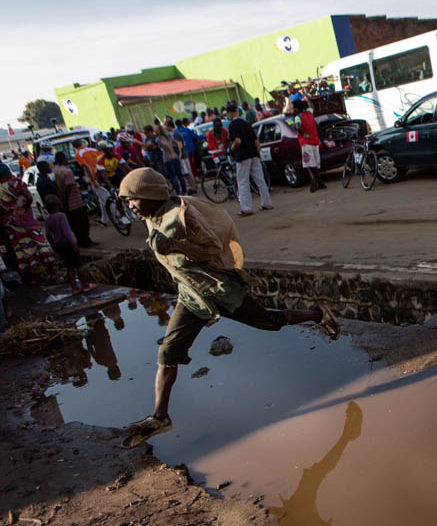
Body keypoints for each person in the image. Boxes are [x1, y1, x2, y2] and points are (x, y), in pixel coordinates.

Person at [116, 168, 339, 447]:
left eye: (132, 199)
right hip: (191, 295)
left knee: (268, 322)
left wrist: (174, 245)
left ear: (149, 195)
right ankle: (160, 417)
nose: (130, 206)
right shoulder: (152, 216)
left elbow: (211, 247)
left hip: (219, 289)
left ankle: (318, 314)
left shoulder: (182, 216)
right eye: (127, 201)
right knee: (168, 352)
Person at [0, 162, 59, 283]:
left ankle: (33, 277)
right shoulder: (17, 184)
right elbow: (30, 198)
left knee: (22, 250)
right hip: (27, 222)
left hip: (11, 225)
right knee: (39, 245)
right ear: (7, 172)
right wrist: (21, 210)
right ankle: (52, 272)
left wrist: (10, 213)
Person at [226, 102, 273, 215]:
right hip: (253, 154)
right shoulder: (246, 123)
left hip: (242, 156)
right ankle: (267, 203)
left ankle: (246, 208)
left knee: (243, 182)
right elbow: (256, 140)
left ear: (229, 114)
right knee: (260, 180)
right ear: (237, 112)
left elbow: (237, 141)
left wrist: (232, 149)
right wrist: (258, 153)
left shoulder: (233, 125)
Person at [43, 195, 94, 294]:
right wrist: (74, 244)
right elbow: (67, 232)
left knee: (69, 267)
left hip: (58, 244)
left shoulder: (48, 218)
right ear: (58, 204)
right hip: (67, 244)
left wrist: (53, 246)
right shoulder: (61, 216)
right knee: (79, 265)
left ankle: (74, 288)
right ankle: (85, 285)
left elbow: (48, 234)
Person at [53, 151, 94, 247]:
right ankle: (85, 241)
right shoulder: (67, 171)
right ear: (64, 159)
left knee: (75, 224)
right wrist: (66, 199)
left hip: (68, 203)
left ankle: (82, 241)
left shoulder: (57, 171)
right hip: (75, 201)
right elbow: (69, 186)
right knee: (83, 223)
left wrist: (63, 200)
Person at [290, 98, 327, 192]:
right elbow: (312, 106)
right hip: (315, 141)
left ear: (297, 108)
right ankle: (319, 182)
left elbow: (298, 127)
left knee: (310, 164)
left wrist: (302, 133)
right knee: (315, 163)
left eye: (294, 108)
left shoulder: (298, 117)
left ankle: (315, 180)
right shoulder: (310, 113)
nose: (293, 109)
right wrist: (307, 98)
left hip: (306, 142)